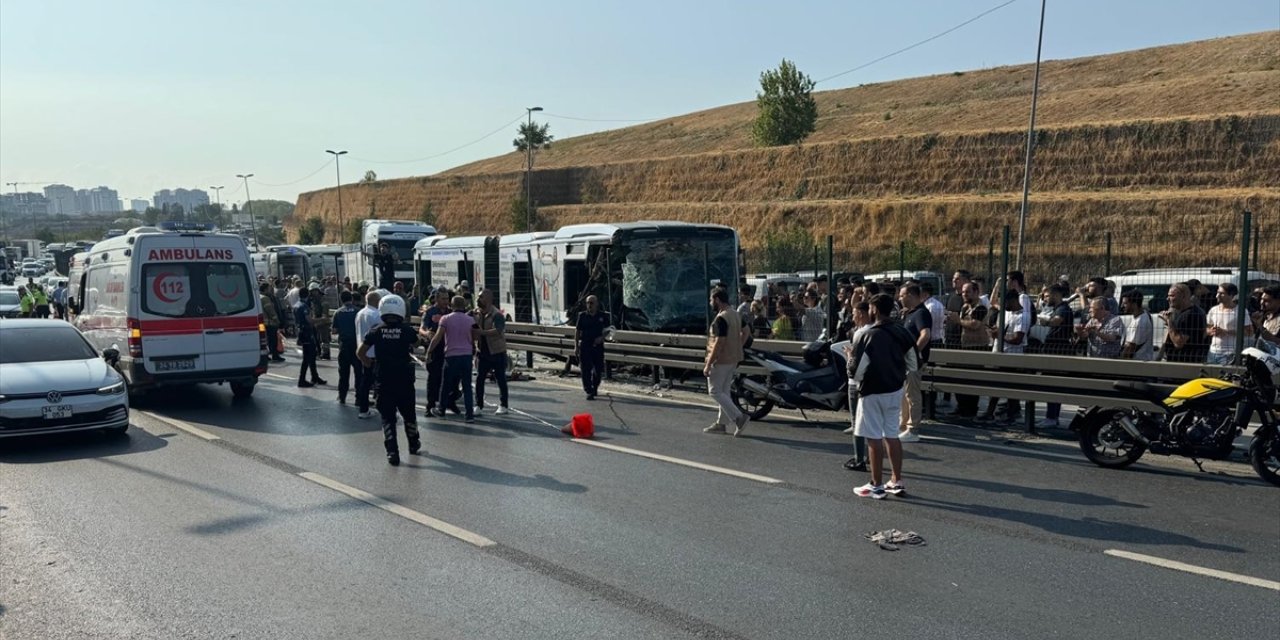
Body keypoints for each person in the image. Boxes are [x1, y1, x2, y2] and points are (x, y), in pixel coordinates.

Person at [849, 294, 918, 500]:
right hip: (895, 389)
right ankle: (896, 479)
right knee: (892, 434)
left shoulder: (866, 335)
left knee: (873, 436)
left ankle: (876, 484)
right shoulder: (902, 331)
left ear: (875, 310)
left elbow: (855, 371)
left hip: (871, 391)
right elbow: (914, 362)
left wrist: (849, 357)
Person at [357, 294, 421, 466]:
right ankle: (413, 443)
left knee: (387, 417)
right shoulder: (407, 330)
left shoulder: (376, 330)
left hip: (383, 379)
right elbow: (417, 343)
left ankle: (392, 452)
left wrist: (370, 364)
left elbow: (360, 353)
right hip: (404, 380)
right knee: (409, 415)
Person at [702, 288, 750, 436]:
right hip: (734, 358)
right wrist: (737, 346)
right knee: (724, 392)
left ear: (717, 300)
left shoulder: (721, 318)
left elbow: (719, 342)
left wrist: (709, 363)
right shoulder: (735, 314)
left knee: (715, 391)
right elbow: (747, 331)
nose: (711, 303)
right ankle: (721, 424)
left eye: (711, 300)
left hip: (721, 360)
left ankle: (739, 417)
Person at [427, 295, 478, 423]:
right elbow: (476, 336)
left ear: (452, 305)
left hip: (451, 355)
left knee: (445, 384)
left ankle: (441, 410)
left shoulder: (445, 319)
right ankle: (469, 415)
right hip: (466, 356)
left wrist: (429, 351)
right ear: (464, 306)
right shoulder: (470, 320)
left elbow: (438, 337)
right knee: (466, 386)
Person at [896, 283, 931, 442]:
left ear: (911, 295)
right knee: (904, 394)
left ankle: (913, 428)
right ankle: (903, 425)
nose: (900, 298)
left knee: (912, 394)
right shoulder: (911, 313)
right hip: (906, 361)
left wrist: (912, 354)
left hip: (913, 362)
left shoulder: (921, 313)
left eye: (902, 295)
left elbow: (925, 335)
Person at [842, 301, 873, 469]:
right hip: (871, 381)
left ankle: (859, 457)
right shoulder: (876, 330)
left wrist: (848, 354)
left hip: (856, 382)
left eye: (854, 313)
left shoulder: (860, 333)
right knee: (871, 422)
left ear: (861, 313)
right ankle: (871, 455)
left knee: (857, 421)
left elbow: (854, 363)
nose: (852, 317)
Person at [472, 288, 510, 415]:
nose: (478, 299)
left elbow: (498, 330)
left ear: (488, 299)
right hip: (482, 351)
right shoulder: (475, 312)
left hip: (497, 351)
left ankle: (503, 405)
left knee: (500, 379)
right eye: (478, 296)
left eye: (481, 297)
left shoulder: (496, 314)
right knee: (479, 379)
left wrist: (482, 332)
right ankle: (478, 405)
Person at [418, 287, 452, 417]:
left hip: (449, 347)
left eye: (447, 298)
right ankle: (430, 405)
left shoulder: (450, 311)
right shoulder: (430, 312)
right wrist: (427, 334)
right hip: (434, 348)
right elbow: (421, 329)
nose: (446, 301)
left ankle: (447, 402)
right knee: (434, 378)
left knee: (450, 378)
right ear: (437, 299)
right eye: (443, 299)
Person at [1206, 283, 1252, 365]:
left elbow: (1249, 332)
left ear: (1231, 295)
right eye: (1217, 292)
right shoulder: (1213, 310)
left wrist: (1226, 332)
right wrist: (1211, 331)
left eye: (1222, 294)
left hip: (1230, 353)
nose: (1217, 296)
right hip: (1212, 352)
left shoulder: (1241, 311)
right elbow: (1207, 328)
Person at [1161, 284, 1209, 363]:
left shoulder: (1191, 315)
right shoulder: (1181, 312)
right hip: (1178, 361)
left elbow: (1178, 343)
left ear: (1183, 297)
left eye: (1172, 296)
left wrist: (1169, 321)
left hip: (1185, 363)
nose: (1167, 299)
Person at [332, 290, 364, 405]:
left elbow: (334, 331)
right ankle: (359, 398)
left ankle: (342, 396)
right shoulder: (358, 311)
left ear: (341, 300)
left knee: (343, 373)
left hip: (344, 346)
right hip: (356, 345)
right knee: (358, 373)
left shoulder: (338, 312)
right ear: (351, 298)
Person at [574, 295, 609, 400]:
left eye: (592, 303)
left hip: (597, 346)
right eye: (588, 303)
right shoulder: (582, 316)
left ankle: (595, 386)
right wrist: (576, 346)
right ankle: (589, 390)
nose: (589, 305)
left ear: (597, 304)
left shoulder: (602, 316)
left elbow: (609, 330)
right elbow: (577, 331)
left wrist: (602, 338)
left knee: (598, 370)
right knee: (586, 369)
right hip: (585, 345)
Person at [354, 290, 382, 418]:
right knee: (381, 383)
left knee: (365, 382)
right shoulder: (376, 315)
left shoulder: (360, 313)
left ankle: (363, 409)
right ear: (376, 301)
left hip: (363, 351)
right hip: (375, 352)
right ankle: (383, 409)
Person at [293, 286, 326, 387]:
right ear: (307, 295)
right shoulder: (303, 307)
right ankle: (302, 379)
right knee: (307, 357)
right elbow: (310, 321)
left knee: (312, 355)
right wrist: (322, 319)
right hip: (307, 332)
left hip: (302, 332)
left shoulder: (296, 305)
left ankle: (314, 376)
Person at [1120, 289, 1155, 361]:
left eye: (1125, 303)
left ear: (1134, 304)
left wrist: (1120, 360)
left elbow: (1130, 347)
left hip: (1138, 361)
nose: (1122, 306)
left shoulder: (1140, 321)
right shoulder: (1142, 315)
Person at [259, 282, 286, 362]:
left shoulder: (258, 297)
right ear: (265, 289)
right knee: (273, 340)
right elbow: (270, 311)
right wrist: (277, 320)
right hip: (270, 323)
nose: (271, 290)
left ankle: (266, 356)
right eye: (269, 288)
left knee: (265, 341)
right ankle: (275, 355)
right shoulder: (265, 298)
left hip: (262, 323)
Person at [308, 282, 332, 360]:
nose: (313, 293)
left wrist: (314, 320)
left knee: (324, 339)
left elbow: (325, 315)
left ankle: (326, 354)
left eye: (315, 291)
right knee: (318, 339)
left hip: (323, 323)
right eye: (312, 291)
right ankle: (319, 352)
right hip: (317, 323)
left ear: (318, 290)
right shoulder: (313, 301)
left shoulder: (323, 300)